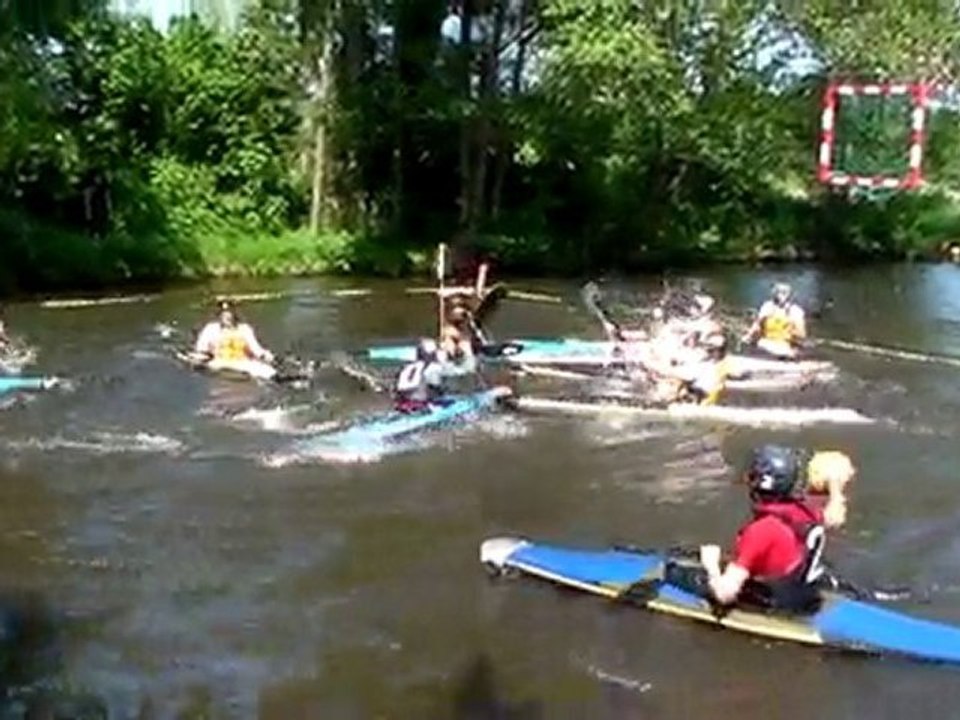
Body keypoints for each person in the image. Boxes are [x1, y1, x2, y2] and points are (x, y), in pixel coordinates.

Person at [698, 445, 826, 612]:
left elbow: (725, 595)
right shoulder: (806, 513)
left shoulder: (761, 531)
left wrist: (711, 567)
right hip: (801, 592)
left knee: (689, 578)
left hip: (776, 601)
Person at [194, 300, 274, 369]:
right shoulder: (210, 329)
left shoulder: (244, 329)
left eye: (229, 314)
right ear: (219, 316)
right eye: (223, 315)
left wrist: (264, 355)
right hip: (218, 364)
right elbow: (201, 349)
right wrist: (200, 358)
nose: (227, 318)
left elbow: (256, 349)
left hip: (243, 364)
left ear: (234, 315)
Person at [743, 283, 807, 359]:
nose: (780, 295)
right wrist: (748, 336)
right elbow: (757, 324)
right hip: (767, 344)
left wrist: (749, 337)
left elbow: (800, 334)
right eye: (779, 292)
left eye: (783, 293)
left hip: (780, 346)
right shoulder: (767, 307)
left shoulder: (795, 311)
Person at [805, 450, 856, 530]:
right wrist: (835, 494)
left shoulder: (805, 499)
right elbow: (834, 521)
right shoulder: (825, 506)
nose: (852, 472)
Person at [394, 338, 447, 412]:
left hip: (401, 404)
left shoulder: (406, 366)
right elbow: (436, 388)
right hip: (420, 405)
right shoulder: (432, 367)